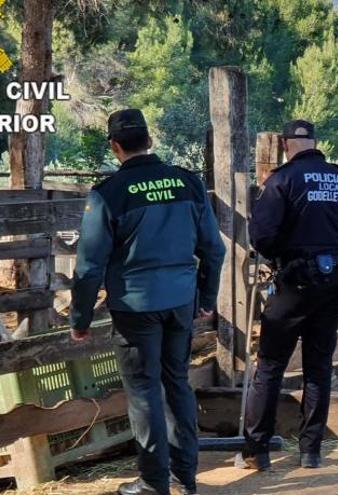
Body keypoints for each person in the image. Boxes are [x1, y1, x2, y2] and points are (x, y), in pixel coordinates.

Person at [70, 109, 226, 495]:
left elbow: (90, 266)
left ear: (115, 146)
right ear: (149, 140)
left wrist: (81, 318)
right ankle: (185, 477)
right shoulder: (188, 184)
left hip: (136, 306)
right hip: (180, 302)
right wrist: (205, 298)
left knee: (144, 393)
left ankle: (154, 482)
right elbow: (214, 249)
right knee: (177, 383)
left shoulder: (108, 194)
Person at [236, 120, 338, 471]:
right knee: (318, 368)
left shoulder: (281, 181)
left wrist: (285, 253)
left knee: (271, 367)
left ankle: (257, 451)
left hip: (294, 282)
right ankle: (310, 451)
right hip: (334, 280)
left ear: (284, 144)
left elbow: (261, 237)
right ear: (315, 143)